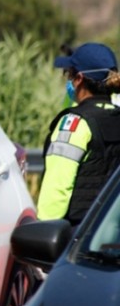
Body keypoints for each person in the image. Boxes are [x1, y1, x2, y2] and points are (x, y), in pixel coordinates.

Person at [36, 43, 120, 225]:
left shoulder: (75, 124)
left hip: (77, 237)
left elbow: (57, 189)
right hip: (109, 233)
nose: (67, 79)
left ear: (79, 79)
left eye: (68, 74)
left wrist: (43, 231)